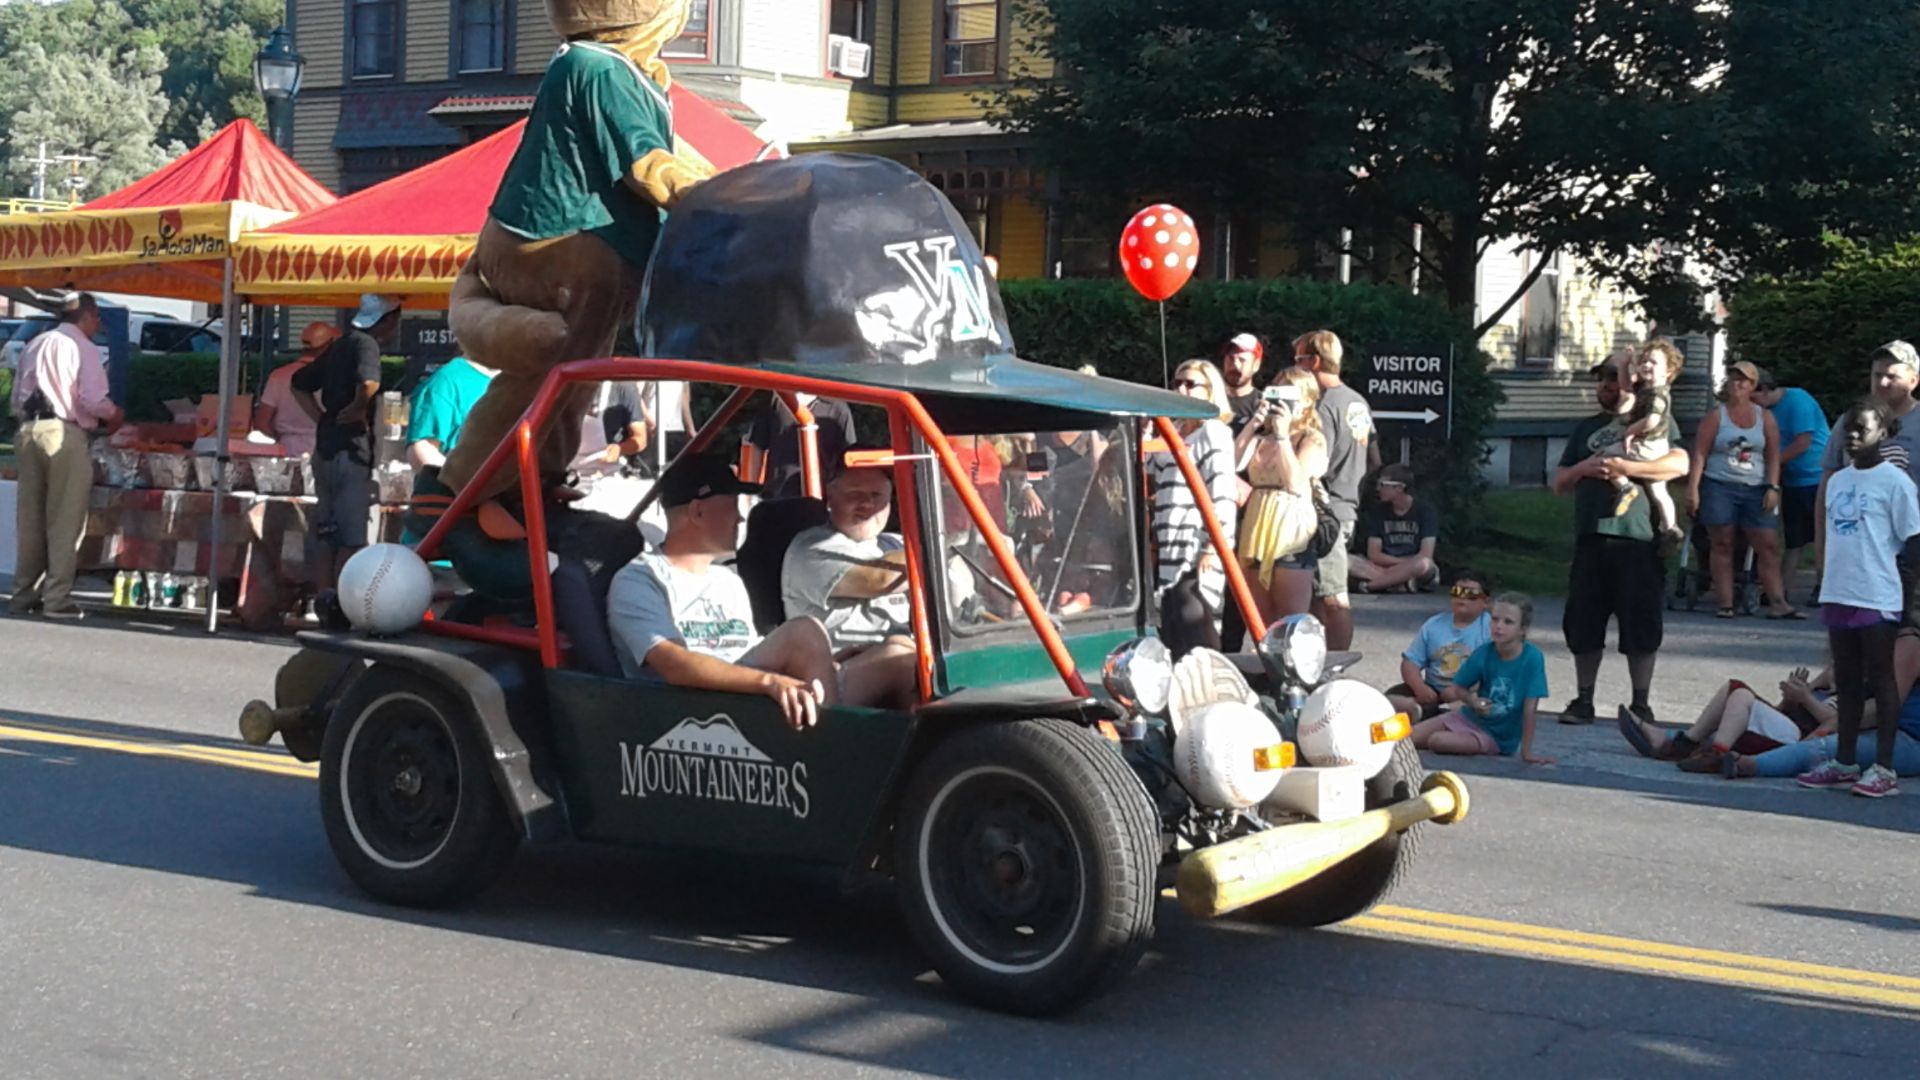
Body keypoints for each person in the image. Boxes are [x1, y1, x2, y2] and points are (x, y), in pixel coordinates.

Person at [606, 456, 904, 728]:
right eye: (733, 507)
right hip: (690, 711)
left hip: (747, 698)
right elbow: (674, 665)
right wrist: (770, 682)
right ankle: (830, 756)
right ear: (698, 511)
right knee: (804, 632)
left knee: (899, 653)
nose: (740, 519)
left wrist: (827, 657)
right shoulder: (640, 581)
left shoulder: (727, 581)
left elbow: (746, 649)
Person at [1554, 357, 1690, 726]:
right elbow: (1559, 482)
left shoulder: (1655, 419)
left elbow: (1679, 464)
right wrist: (1586, 468)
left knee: (1641, 623)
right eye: (1601, 381)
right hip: (1592, 535)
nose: (1606, 387)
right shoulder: (1586, 428)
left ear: (1630, 383)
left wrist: (1627, 469)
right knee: (1583, 622)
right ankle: (1584, 699)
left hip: (1638, 536)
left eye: (1613, 379)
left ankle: (1640, 703)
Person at [1797, 399, 1920, 797]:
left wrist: (1906, 599)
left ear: (1882, 433)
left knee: (1881, 679)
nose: (1851, 436)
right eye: (1847, 428)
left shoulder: (1895, 482)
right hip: (1840, 590)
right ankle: (1845, 761)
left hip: (1878, 593)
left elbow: (1913, 541)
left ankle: (1883, 767)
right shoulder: (1839, 481)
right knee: (1846, 680)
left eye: (1861, 429)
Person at [8, 292, 121, 619]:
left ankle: (23, 593)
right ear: (87, 316)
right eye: (97, 317)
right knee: (65, 520)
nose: (98, 323)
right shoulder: (82, 348)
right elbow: (92, 400)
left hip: (28, 431)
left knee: (30, 519)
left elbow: (17, 396)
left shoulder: (36, 342)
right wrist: (115, 415)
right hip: (63, 431)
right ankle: (56, 598)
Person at [780, 459, 919, 708]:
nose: (867, 504)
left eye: (877, 495)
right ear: (830, 498)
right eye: (855, 494)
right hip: (829, 678)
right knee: (901, 657)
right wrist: (942, 546)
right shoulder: (812, 547)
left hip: (901, 658)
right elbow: (879, 578)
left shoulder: (896, 544)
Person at [293, 294, 398, 590]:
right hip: (351, 452)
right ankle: (341, 602)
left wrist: (321, 417)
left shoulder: (340, 344)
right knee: (353, 537)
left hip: (325, 448)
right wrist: (358, 409)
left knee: (327, 532)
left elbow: (299, 383)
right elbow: (369, 382)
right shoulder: (367, 345)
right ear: (388, 320)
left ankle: (323, 602)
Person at [1687, 359, 1798, 619]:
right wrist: (1693, 489)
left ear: (1753, 386)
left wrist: (1773, 486)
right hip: (1720, 484)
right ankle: (1725, 602)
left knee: (1767, 544)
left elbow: (1772, 454)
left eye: (1744, 380)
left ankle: (1778, 602)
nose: (1738, 384)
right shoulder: (1717, 416)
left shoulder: (1765, 417)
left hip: (1755, 486)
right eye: (1734, 378)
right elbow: (1700, 454)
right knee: (1721, 542)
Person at [1148, 359, 1240, 654]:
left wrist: (1213, 546)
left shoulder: (1213, 432)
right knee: (1174, 623)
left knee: (1198, 623)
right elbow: (1150, 468)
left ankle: (1212, 685)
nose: (1182, 389)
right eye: (1177, 383)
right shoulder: (1173, 432)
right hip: (1168, 544)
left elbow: (1223, 493)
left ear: (1210, 391)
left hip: (1196, 545)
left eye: (1191, 384)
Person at [1292, 329, 1373, 651]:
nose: (1295, 366)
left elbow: (1315, 460)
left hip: (1325, 509)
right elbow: (1373, 455)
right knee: (1317, 592)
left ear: (1313, 361)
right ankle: (1319, 658)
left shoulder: (1322, 406)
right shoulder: (1357, 401)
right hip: (1348, 505)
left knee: (1331, 595)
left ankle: (1335, 662)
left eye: (1298, 359)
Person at [1412, 593, 1553, 764]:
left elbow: (1530, 708)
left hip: (1496, 735)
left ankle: (1455, 739)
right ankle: (1372, 737)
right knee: (1407, 736)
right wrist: (1473, 702)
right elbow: (1459, 687)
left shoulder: (1532, 658)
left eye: (1508, 622)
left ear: (1522, 629)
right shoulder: (1484, 652)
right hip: (1468, 716)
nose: (1499, 626)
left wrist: (1526, 752)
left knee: (1437, 741)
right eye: (1494, 619)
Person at [1236, 367, 1328, 627]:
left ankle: (1291, 666)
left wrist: (1282, 436)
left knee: (1291, 618)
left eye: (1291, 395)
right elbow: (1231, 464)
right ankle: (1265, 665)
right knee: (1258, 618)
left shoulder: (1312, 439)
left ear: (1307, 401)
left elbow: (1296, 483)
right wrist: (1254, 423)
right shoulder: (1260, 438)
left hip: (1291, 530)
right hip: (1256, 526)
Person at [1617, 664, 1832, 772]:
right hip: (1789, 728)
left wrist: (1805, 698)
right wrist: (1792, 698)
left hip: (1800, 740)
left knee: (1740, 691)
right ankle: (1685, 742)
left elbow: (1836, 722)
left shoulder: (1855, 687)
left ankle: (1708, 750)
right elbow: (1787, 710)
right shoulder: (1830, 673)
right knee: (1733, 688)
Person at [1597, 341, 1684, 548]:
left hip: (1647, 445)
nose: (1646, 365)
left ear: (1668, 371)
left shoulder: (1658, 394)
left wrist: (1629, 432)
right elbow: (1626, 386)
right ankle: (1671, 527)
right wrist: (1625, 364)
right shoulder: (1647, 388)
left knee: (1606, 456)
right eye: (1644, 361)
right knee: (1659, 492)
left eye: (1653, 362)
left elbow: (1652, 421)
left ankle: (1626, 487)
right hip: (1657, 446)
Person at [1753, 369, 1829, 602]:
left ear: (1765, 390)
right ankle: (1780, 590)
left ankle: (1823, 585)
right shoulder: (1766, 412)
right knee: (1794, 537)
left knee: (1821, 534)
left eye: (1753, 397)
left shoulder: (1798, 401)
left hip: (1815, 474)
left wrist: (1772, 463)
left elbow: (1802, 443)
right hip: (1792, 478)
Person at [1388, 569, 1493, 722]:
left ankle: (1427, 714)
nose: (1462, 598)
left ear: (1485, 602)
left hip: (1471, 691)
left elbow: (1495, 670)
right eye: (1457, 592)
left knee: (1480, 703)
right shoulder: (1434, 625)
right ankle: (1421, 710)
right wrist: (1419, 687)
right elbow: (1411, 662)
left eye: (1471, 594)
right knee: (1390, 696)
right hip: (1433, 689)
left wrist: (1460, 690)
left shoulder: (1490, 628)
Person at [745, 392, 857, 499]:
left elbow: (848, 458)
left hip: (823, 498)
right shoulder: (775, 401)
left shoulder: (838, 409)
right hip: (777, 496)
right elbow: (758, 447)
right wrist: (752, 491)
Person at [252, 322, 338, 457]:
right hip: (328, 450)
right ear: (329, 345)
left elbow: (262, 422)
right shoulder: (338, 376)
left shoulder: (278, 376)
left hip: (287, 449)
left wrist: (279, 440)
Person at [1351, 463, 1439, 593]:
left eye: (1382, 484)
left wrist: (1405, 567)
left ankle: (1370, 586)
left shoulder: (1425, 511)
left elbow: (1426, 554)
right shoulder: (1378, 512)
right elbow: (1374, 554)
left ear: (1399, 488)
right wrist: (1400, 567)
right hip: (1383, 567)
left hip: (1414, 567)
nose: (1378, 489)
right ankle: (1399, 583)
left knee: (1424, 564)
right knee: (1348, 560)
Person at [406, 355, 497, 470]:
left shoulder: (520, 378)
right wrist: (458, 481)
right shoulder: (446, 381)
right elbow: (423, 447)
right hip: (469, 483)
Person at [1220, 332, 1268, 434]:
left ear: (1256, 365)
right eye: (1230, 358)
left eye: (1242, 360)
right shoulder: (1212, 398)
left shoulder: (1261, 405)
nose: (1235, 365)